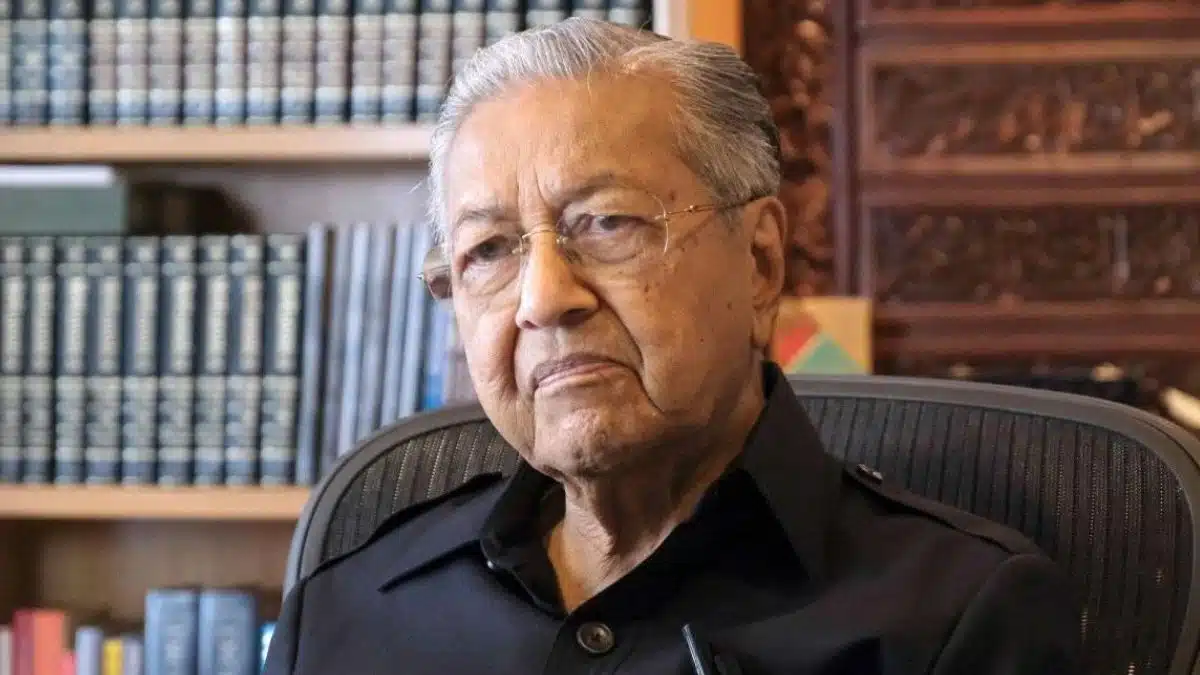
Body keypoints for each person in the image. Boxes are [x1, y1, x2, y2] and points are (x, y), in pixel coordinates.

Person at [263, 18, 1081, 675]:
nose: (543, 299)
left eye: (606, 223)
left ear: (759, 262)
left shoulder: (959, 614)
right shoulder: (345, 613)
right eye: (490, 250)